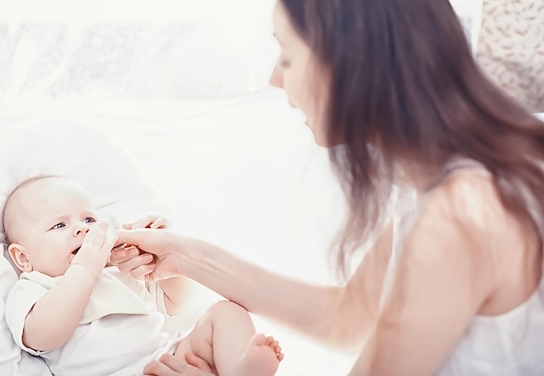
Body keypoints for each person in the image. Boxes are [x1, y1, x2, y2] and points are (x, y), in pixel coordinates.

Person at [111, 0, 544, 375]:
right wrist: (184, 255)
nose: (274, 79)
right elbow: (348, 318)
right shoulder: (453, 174)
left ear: (350, 65)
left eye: (286, 56)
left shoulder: (458, 214)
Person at [2, 175, 283, 376]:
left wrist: (161, 258)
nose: (81, 229)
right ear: (23, 258)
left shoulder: (119, 272)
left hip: (171, 355)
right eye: (59, 225)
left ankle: (240, 367)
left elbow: (175, 305)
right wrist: (84, 268)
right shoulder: (33, 289)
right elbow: (43, 335)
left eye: (88, 219)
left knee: (225, 311)